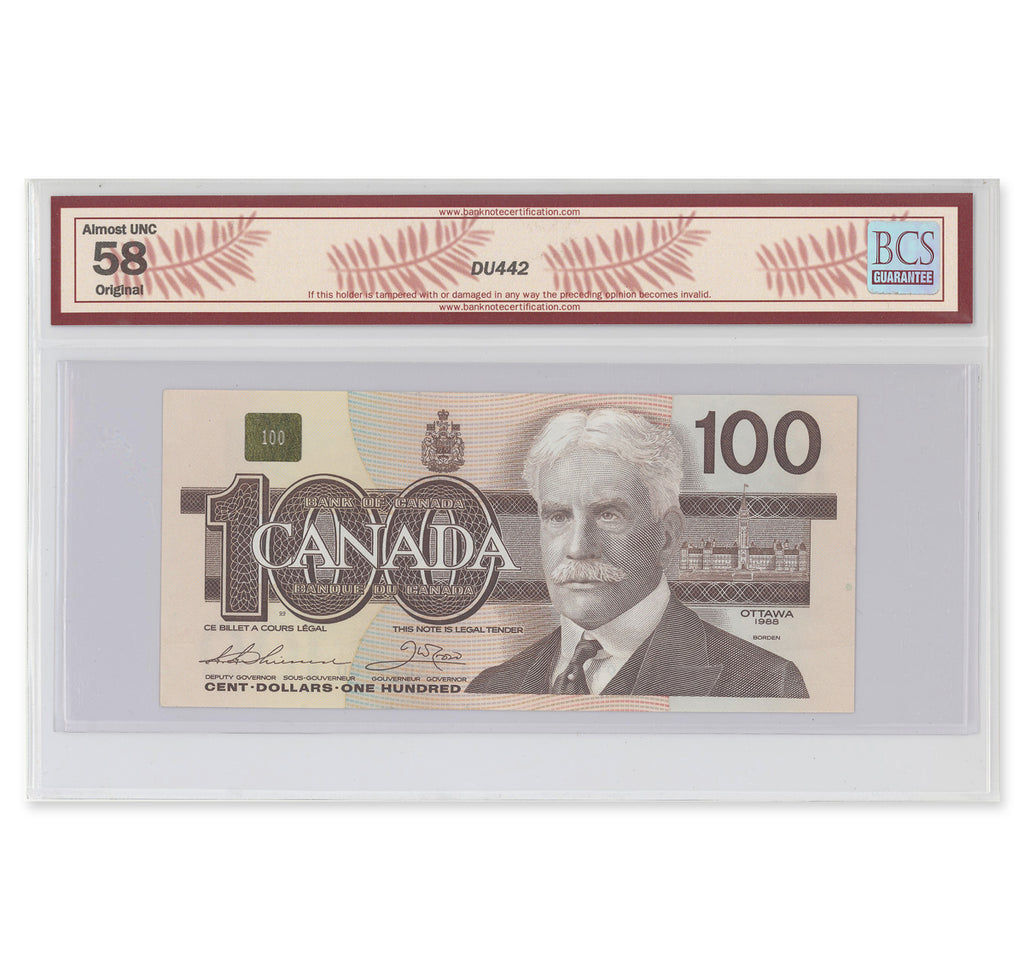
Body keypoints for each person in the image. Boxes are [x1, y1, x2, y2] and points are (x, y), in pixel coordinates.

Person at [467, 408, 808, 697]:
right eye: (559, 517)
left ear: (667, 536)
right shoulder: (491, 687)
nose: (578, 548)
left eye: (608, 515)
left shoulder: (768, 683)